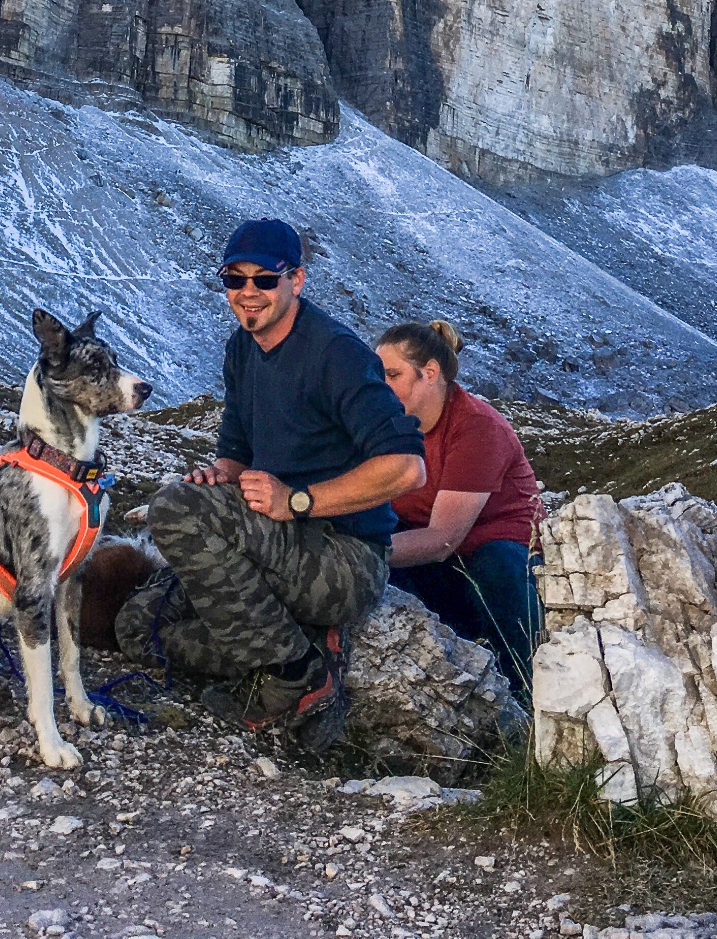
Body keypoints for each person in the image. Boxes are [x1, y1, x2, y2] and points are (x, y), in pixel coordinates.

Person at [116, 219, 426, 747]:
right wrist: (221, 476)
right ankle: (294, 639)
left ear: (296, 281)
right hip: (280, 544)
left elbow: (406, 467)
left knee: (175, 508)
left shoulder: (336, 354)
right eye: (235, 280)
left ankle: (296, 675)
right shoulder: (242, 347)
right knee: (137, 627)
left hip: (344, 558)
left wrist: (299, 501)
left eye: (264, 279)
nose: (248, 293)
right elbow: (237, 452)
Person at [375, 319, 543, 703]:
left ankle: (527, 692)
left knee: (496, 563)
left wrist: (363, 550)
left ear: (430, 373)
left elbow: (441, 539)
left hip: (504, 563)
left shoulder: (476, 427)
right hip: (442, 566)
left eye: (393, 374)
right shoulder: (388, 425)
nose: (380, 386)